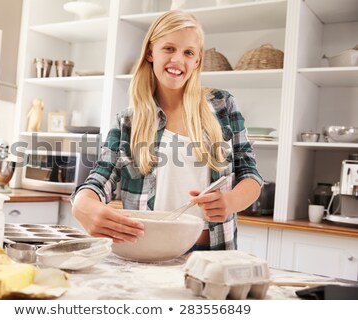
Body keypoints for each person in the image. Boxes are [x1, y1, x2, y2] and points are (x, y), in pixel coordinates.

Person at [71, 10, 262, 251]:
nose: (177, 60)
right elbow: (101, 178)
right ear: (151, 52)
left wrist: (230, 201)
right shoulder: (128, 122)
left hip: (212, 253)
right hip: (145, 251)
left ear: (197, 60)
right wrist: (82, 203)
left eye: (188, 52)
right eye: (169, 49)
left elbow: (250, 175)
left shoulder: (222, 106)